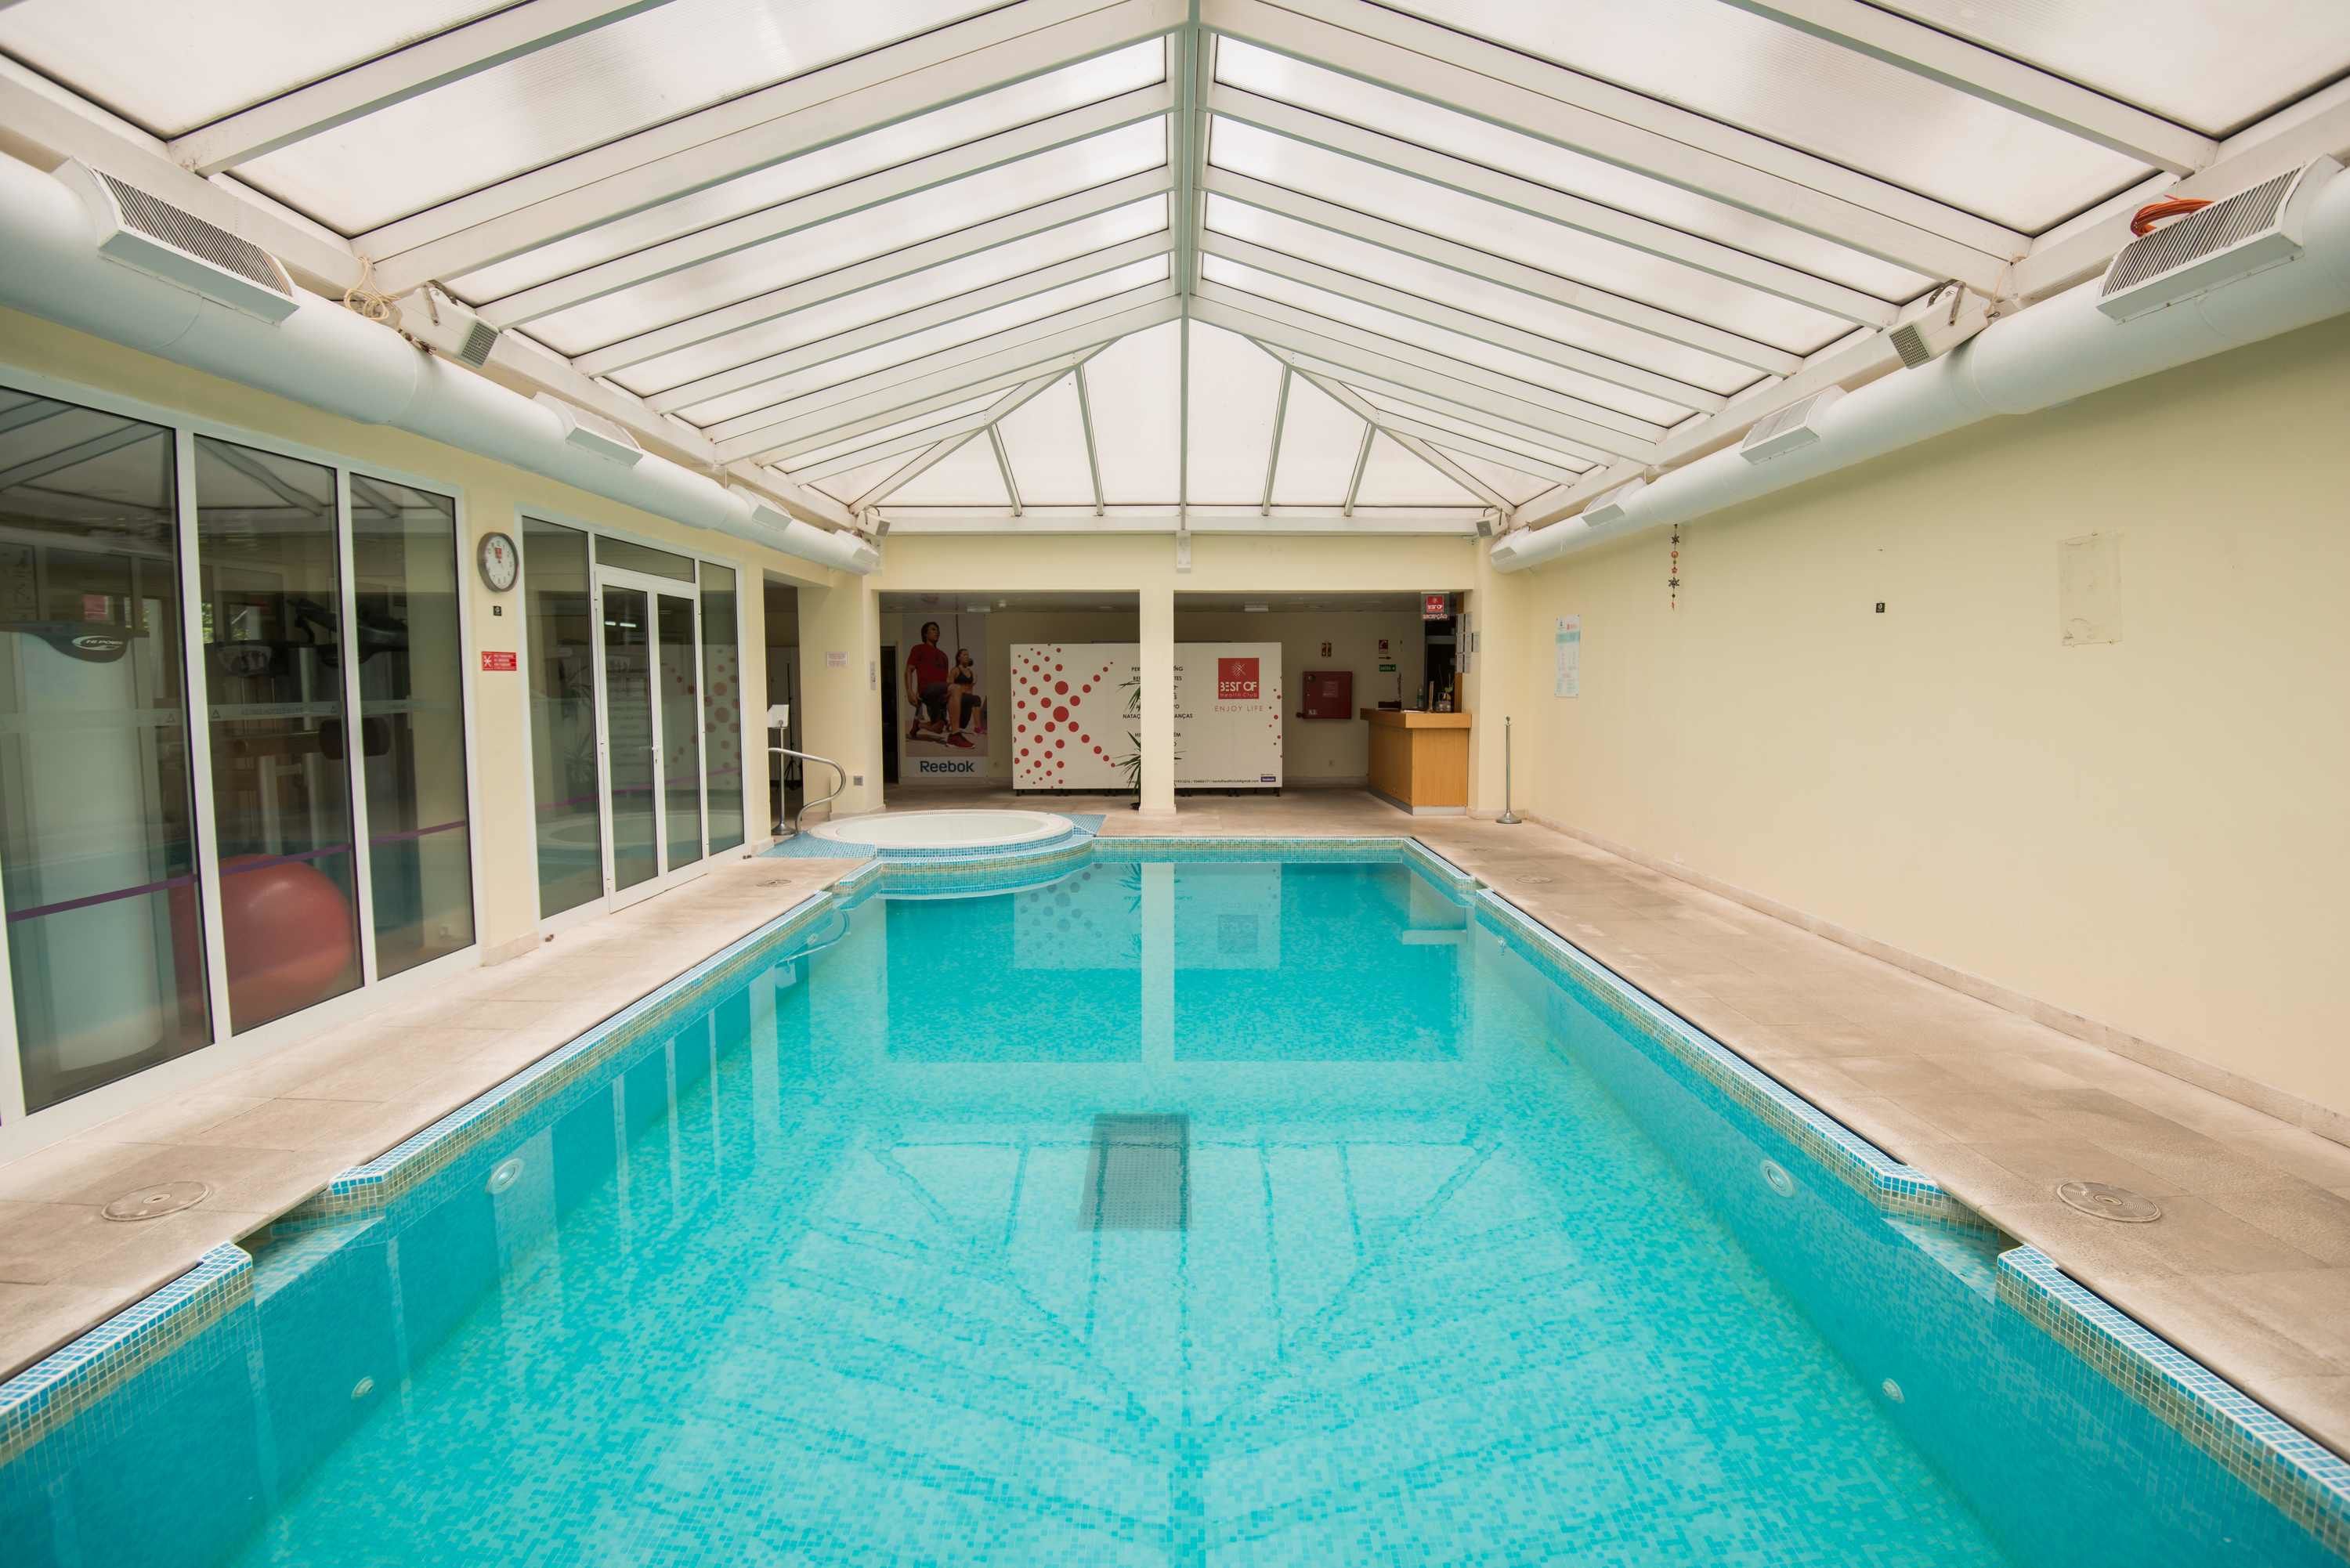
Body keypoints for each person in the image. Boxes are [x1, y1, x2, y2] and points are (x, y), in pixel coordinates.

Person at [902, 622, 971, 749]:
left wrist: (948, 697)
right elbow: (908, 670)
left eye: (938, 630)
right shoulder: (918, 648)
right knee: (956, 688)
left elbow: (944, 680)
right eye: (933, 629)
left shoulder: (944, 656)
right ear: (925, 634)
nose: (937, 632)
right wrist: (910, 692)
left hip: (939, 694)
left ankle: (918, 725)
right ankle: (955, 736)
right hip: (927, 690)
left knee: (938, 728)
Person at [947, 648, 983, 739]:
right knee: (977, 699)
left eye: (968, 655)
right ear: (959, 658)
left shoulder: (970, 672)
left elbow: (970, 688)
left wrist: (973, 684)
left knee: (962, 725)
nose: (967, 657)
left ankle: (949, 724)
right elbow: (949, 686)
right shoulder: (955, 670)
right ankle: (977, 727)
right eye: (964, 655)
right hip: (959, 698)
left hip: (967, 699)